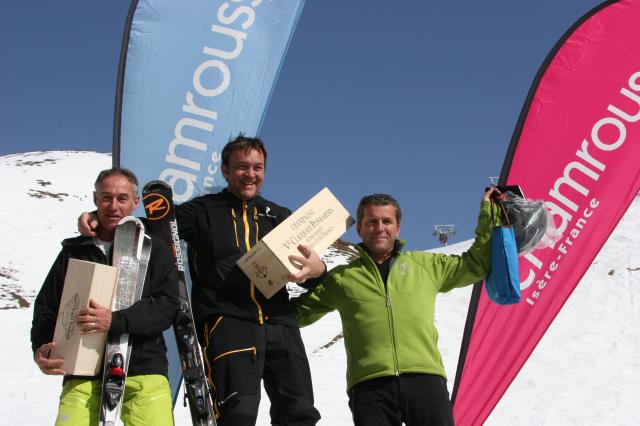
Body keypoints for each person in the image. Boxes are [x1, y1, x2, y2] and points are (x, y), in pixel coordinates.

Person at [79, 136, 323, 425]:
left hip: (281, 324)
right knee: (237, 415)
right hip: (229, 323)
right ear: (225, 170)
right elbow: (155, 228)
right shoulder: (203, 211)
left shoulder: (278, 215)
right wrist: (101, 218)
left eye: (258, 167)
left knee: (299, 413)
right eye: (242, 167)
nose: (250, 174)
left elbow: (312, 271)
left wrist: (318, 269)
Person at [294, 190, 498, 426]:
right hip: (370, 387)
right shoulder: (342, 279)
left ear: (397, 228)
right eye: (371, 221)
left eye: (387, 221)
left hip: (426, 380)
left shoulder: (425, 266)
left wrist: (488, 213)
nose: (379, 227)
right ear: (359, 229)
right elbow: (297, 314)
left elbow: (475, 264)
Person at [31, 167, 179, 425]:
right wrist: (40, 347)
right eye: (106, 198)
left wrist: (115, 320)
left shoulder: (154, 249)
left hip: (144, 366)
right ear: (95, 199)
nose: (113, 206)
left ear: (135, 202)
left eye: (122, 198)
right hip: (82, 368)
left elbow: (166, 306)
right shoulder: (75, 251)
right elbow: (47, 306)